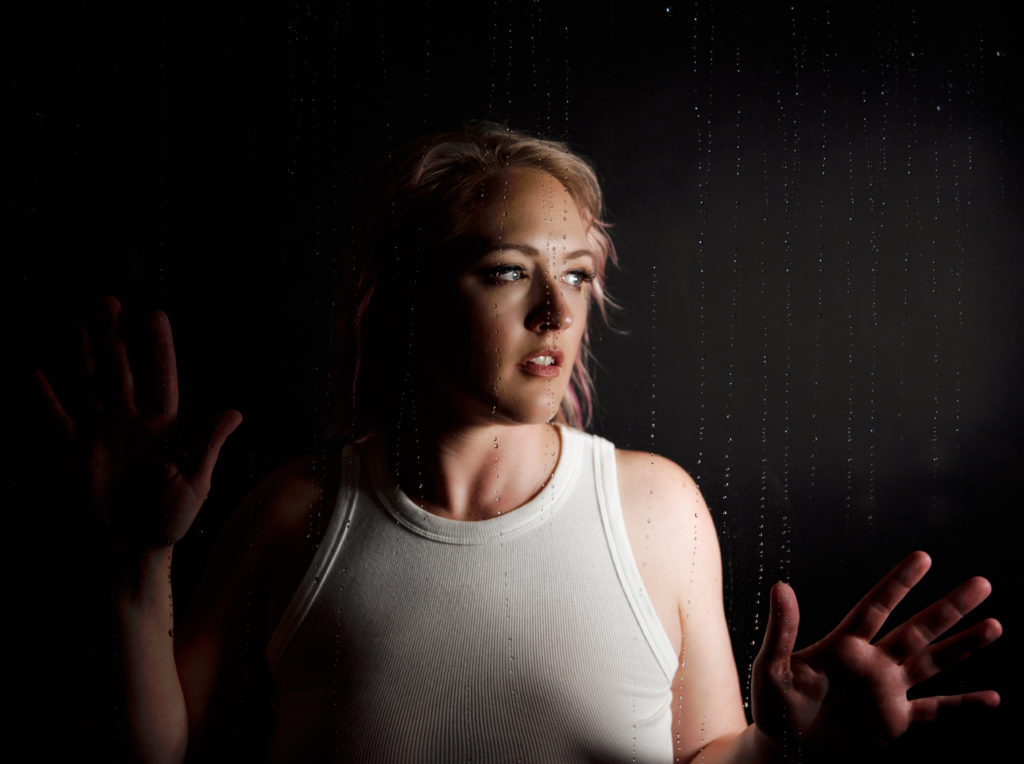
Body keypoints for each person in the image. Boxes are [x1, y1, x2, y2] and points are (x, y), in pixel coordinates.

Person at [33, 123, 1001, 762]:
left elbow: (711, 750)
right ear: (407, 302)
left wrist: (789, 750)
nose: (554, 310)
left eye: (577, 275)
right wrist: (134, 569)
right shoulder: (298, 514)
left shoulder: (654, 507)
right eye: (507, 271)